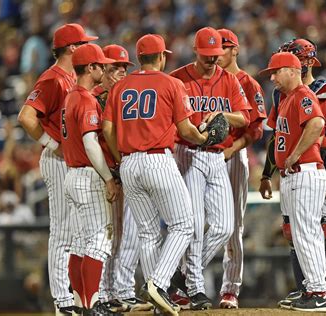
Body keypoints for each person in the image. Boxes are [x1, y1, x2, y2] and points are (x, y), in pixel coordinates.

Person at [102, 34, 211, 316]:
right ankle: (159, 284)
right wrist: (203, 138)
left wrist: (119, 157)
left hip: (128, 164)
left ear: (139, 58)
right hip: (157, 161)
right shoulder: (172, 83)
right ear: (161, 57)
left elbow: (108, 130)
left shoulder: (120, 87)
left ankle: (158, 304)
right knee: (184, 224)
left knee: (148, 233)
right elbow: (186, 130)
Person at [259, 38, 326, 311]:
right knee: (294, 230)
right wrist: (268, 172)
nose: (293, 62)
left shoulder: (323, 90)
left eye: (297, 57)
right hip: (294, 167)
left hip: (317, 163)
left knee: (322, 229)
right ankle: (308, 287)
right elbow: (276, 138)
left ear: (309, 61)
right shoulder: (282, 94)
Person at [17, 23, 97, 314]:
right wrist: (55, 145)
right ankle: (62, 301)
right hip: (58, 161)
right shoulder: (52, 79)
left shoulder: (73, 78)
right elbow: (26, 117)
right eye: (84, 43)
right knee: (63, 232)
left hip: (72, 162)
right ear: (73, 48)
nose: (89, 47)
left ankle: (75, 298)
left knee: (78, 233)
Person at [169, 26, 251, 310]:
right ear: (195, 51)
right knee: (193, 226)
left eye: (216, 55)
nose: (212, 60)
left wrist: (222, 114)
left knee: (225, 226)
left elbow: (244, 117)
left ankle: (179, 275)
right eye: (207, 55)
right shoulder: (177, 78)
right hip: (188, 153)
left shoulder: (228, 79)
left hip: (217, 156)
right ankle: (195, 287)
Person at [92, 44, 153, 313]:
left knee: (130, 234)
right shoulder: (93, 97)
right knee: (108, 237)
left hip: (126, 171)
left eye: (123, 67)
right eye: (114, 67)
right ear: (102, 69)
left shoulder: (129, 95)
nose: (119, 71)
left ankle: (122, 290)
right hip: (103, 174)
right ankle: (104, 292)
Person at [61, 43, 120, 315]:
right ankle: (93, 304)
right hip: (87, 175)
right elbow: (90, 142)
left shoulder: (70, 97)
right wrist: (108, 177)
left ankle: (78, 303)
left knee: (78, 243)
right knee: (98, 241)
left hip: (72, 175)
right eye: (100, 65)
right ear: (91, 68)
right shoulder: (85, 98)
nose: (104, 69)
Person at [216, 28, 267, 309]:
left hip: (233, 157)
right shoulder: (208, 80)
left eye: (223, 48)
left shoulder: (247, 82)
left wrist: (232, 149)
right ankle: (188, 285)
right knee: (194, 224)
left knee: (234, 225)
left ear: (235, 49)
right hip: (205, 157)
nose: (218, 54)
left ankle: (230, 289)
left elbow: (256, 129)